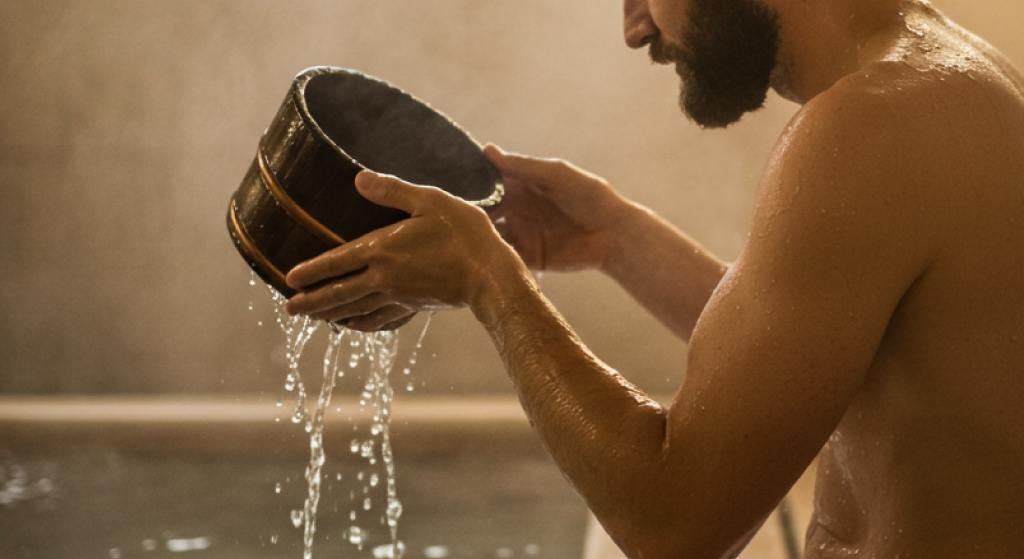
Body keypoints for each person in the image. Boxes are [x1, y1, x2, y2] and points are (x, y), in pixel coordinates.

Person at [285, 0, 1024, 556]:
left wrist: (491, 282)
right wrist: (617, 238)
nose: (636, 27)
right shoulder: (944, 81)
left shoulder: (872, 124)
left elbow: (677, 524)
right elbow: (826, 359)